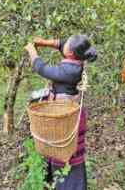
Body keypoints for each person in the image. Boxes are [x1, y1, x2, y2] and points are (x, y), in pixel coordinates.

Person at [25, 35, 97, 190]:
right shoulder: (77, 58)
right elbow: (61, 44)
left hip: (65, 117)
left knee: (65, 152)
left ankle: (70, 186)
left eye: (68, 43)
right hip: (67, 113)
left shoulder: (70, 71)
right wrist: (43, 42)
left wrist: (32, 51)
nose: (64, 42)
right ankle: (55, 182)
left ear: (70, 53)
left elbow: (41, 68)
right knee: (57, 149)